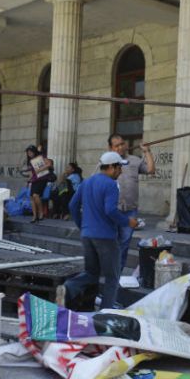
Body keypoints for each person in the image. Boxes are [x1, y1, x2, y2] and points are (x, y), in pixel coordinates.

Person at [62, 152, 138, 310]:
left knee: (91, 273)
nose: (121, 171)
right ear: (110, 167)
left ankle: (70, 286)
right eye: (119, 167)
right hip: (106, 237)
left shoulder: (87, 182)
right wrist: (127, 221)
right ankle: (106, 313)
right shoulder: (111, 184)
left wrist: (82, 225)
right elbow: (110, 210)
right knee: (112, 277)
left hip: (87, 235)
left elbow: (72, 206)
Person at [107, 133, 156, 273]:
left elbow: (151, 170)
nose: (121, 147)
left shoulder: (134, 160)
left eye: (122, 143)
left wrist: (147, 151)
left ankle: (117, 273)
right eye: (117, 145)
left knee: (124, 244)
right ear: (111, 148)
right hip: (112, 210)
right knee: (111, 243)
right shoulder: (106, 163)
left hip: (130, 211)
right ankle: (109, 271)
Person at [25, 145, 54, 223]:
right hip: (34, 180)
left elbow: (49, 164)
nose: (29, 154)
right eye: (28, 153)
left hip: (42, 179)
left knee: (35, 195)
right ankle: (35, 216)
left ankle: (41, 213)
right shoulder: (31, 160)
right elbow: (32, 172)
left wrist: (40, 169)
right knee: (32, 197)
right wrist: (29, 180)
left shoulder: (41, 157)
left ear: (34, 151)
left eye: (30, 152)